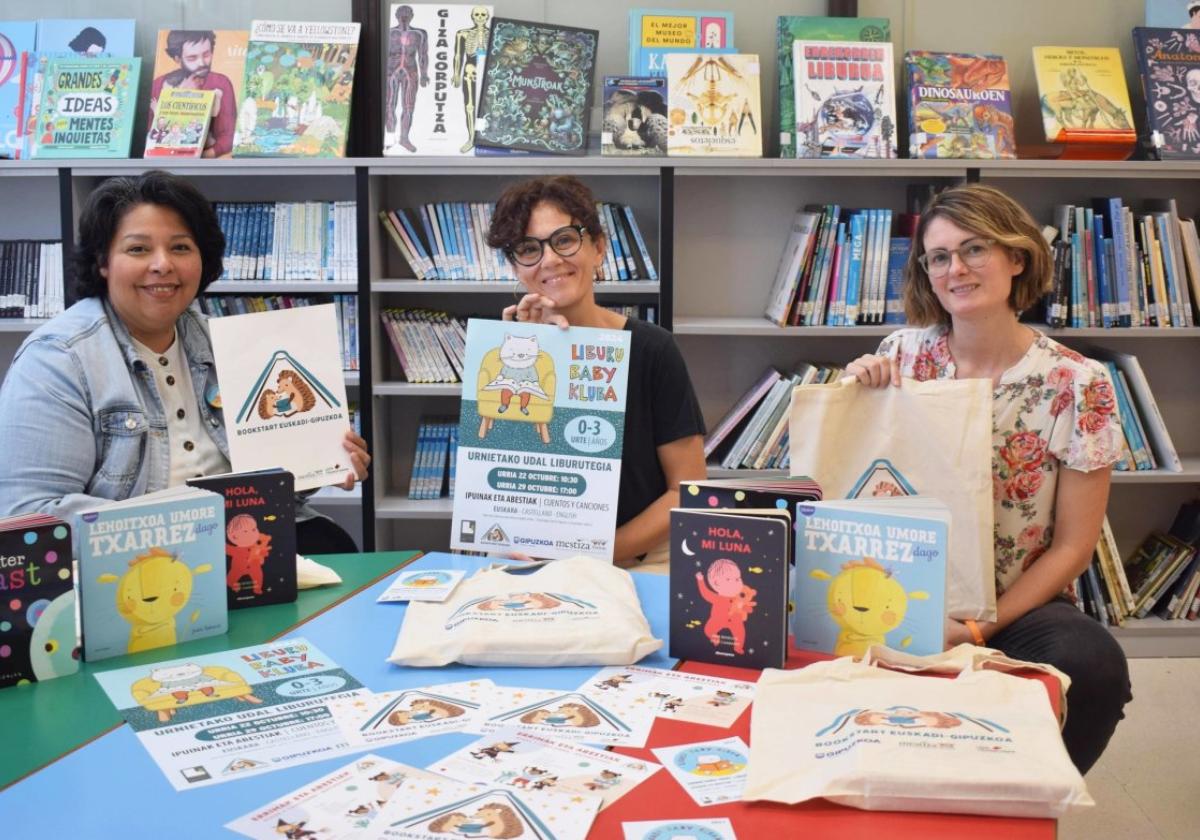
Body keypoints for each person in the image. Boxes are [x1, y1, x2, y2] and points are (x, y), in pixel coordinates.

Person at [845, 183, 1130, 774]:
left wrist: (978, 626)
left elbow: (1075, 545)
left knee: (1096, 666)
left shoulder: (1080, 383)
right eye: (940, 256)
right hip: (904, 588)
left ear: (1016, 257)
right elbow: (861, 478)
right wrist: (857, 391)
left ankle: (1029, 795)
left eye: (975, 250)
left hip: (1018, 602)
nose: (957, 269)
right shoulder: (902, 355)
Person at [0, 170, 368, 555]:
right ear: (103, 262)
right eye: (138, 249)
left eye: (180, 248)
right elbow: (31, 517)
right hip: (135, 561)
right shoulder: (57, 360)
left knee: (335, 546)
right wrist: (183, 527)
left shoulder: (227, 342)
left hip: (244, 539)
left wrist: (323, 462)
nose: (162, 265)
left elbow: (272, 482)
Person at [486, 176, 706, 566]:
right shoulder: (503, 350)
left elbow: (687, 490)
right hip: (527, 553)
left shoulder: (654, 349)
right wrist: (524, 352)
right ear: (515, 268)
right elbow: (502, 482)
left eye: (565, 240)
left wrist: (592, 554)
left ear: (599, 248)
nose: (550, 259)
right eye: (528, 249)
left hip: (636, 559)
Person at [150, 31, 237, 158]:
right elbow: (152, 135)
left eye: (206, 54)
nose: (202, 63)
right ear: (177, 58)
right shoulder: (159, 85)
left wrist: (198, 158)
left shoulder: (220, 83)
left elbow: (229, 137)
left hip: (206, 166)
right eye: (192, 58)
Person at [384, 5, 429, 154]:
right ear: (396, 15)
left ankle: (404, 138)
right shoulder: (389, 33)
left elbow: (423, 55)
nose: (404, 15)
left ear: (412, 15)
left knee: (408, 106)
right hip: (391, 71)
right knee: (389, 105)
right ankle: (390, 138)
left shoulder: (420, 34)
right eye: (401, 12)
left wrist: (424, 74)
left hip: (410, 72)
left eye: (407, 12)